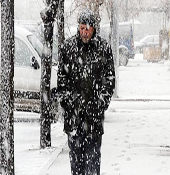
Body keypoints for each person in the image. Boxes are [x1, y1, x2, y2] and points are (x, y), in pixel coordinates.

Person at [57, 9, 115, 175]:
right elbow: (62, 82)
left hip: (94, 121)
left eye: (88, 29)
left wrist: (99, 105)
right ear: (78, 27)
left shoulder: (103, 49)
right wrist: (70, 105)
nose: (85, 32)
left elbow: (109, 81)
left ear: (94, 28)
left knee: (93, 164)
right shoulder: (68, 48)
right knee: (76, 166)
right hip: (74, 121)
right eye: (82, 28)